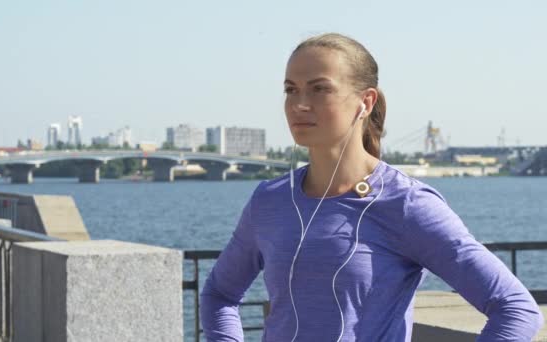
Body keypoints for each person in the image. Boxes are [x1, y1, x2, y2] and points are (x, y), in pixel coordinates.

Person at [200, 33, 544, 341]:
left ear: (365, 102)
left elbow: (515, 309)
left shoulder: (406, 204)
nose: (299, 103)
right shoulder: (269, 201)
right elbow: (219, 294)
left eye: (319, 88)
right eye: (291, 89)